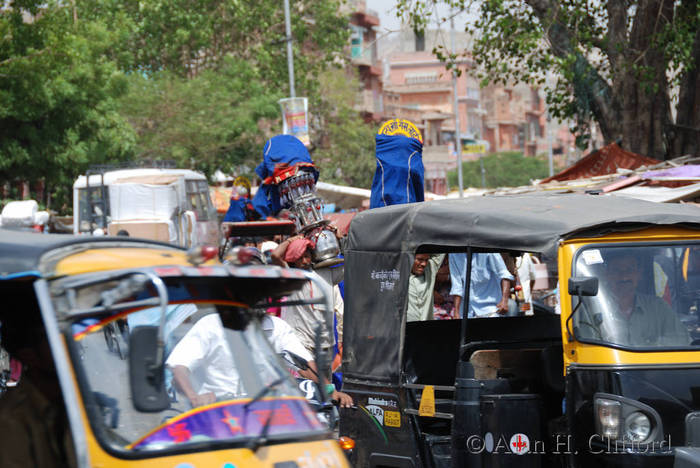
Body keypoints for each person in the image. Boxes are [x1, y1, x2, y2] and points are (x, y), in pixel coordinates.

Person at [0, 320, 76, 468]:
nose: (64, 345)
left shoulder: (72, 398)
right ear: (29, 356)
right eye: (51, 339)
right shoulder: (11, 419)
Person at [578, 252, 690, 347]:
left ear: (639, 274)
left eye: (629, 270)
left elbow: (681, 340)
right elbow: (588, 348)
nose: (624, 277)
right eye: (616, 271)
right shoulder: (592, 309)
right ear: (606, 275)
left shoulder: (658, 307)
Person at [449, 252, 514, 318]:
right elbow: (457, 285)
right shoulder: (453, 254)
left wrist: (504, 301)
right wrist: (456, 311)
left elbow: (504, 274)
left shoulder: (489, 251)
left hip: (491, 309)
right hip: (467, 310)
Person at [407, 253, 445, 322]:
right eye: (420, 260)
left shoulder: (430, 270)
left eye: (426, 260)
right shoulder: (399, 274)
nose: (424, 264)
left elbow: (441, 251)